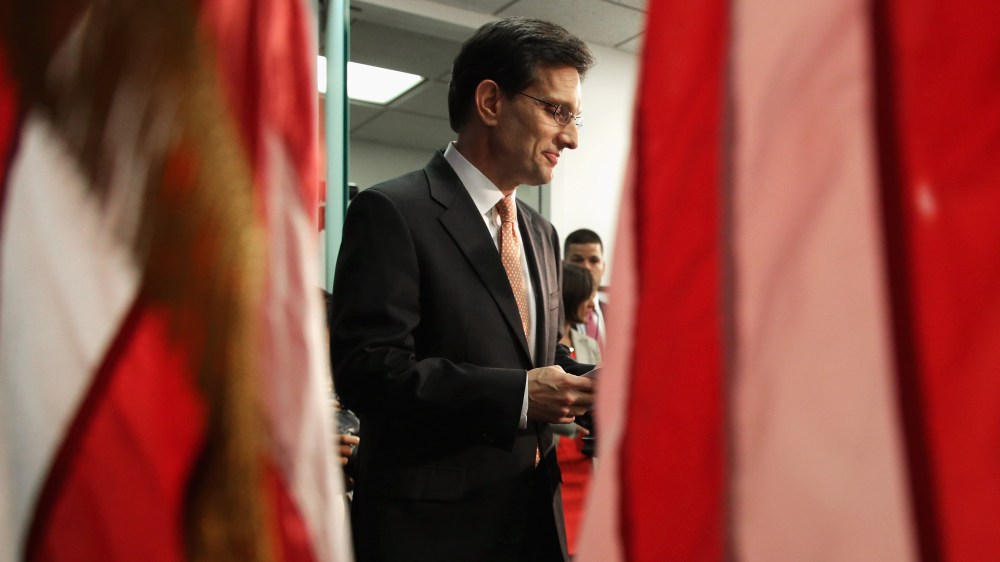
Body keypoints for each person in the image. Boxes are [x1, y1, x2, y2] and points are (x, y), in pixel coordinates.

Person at [329, 17, 595, 562]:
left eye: (576, 118)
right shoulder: (391, 212)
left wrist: (599, 387)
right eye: (556, 110)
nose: (569, 137)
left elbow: (538, 355)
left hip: (535, 524)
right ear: (491, 102)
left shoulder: (541, 233)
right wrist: (520, 395)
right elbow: (367, 370)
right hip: (433, 532)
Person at [555, 263, 601, 557]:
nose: (592, 303)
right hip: (556, 455)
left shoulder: (588, 344)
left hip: (585, 459)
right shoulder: (544, 344)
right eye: (588, 295)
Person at [563, 228, 608, 349]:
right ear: (563, 264)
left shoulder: (617, 315)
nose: (586, 267)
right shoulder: (555, 317)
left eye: (593, 260)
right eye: (577, 260)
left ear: (603, 267)